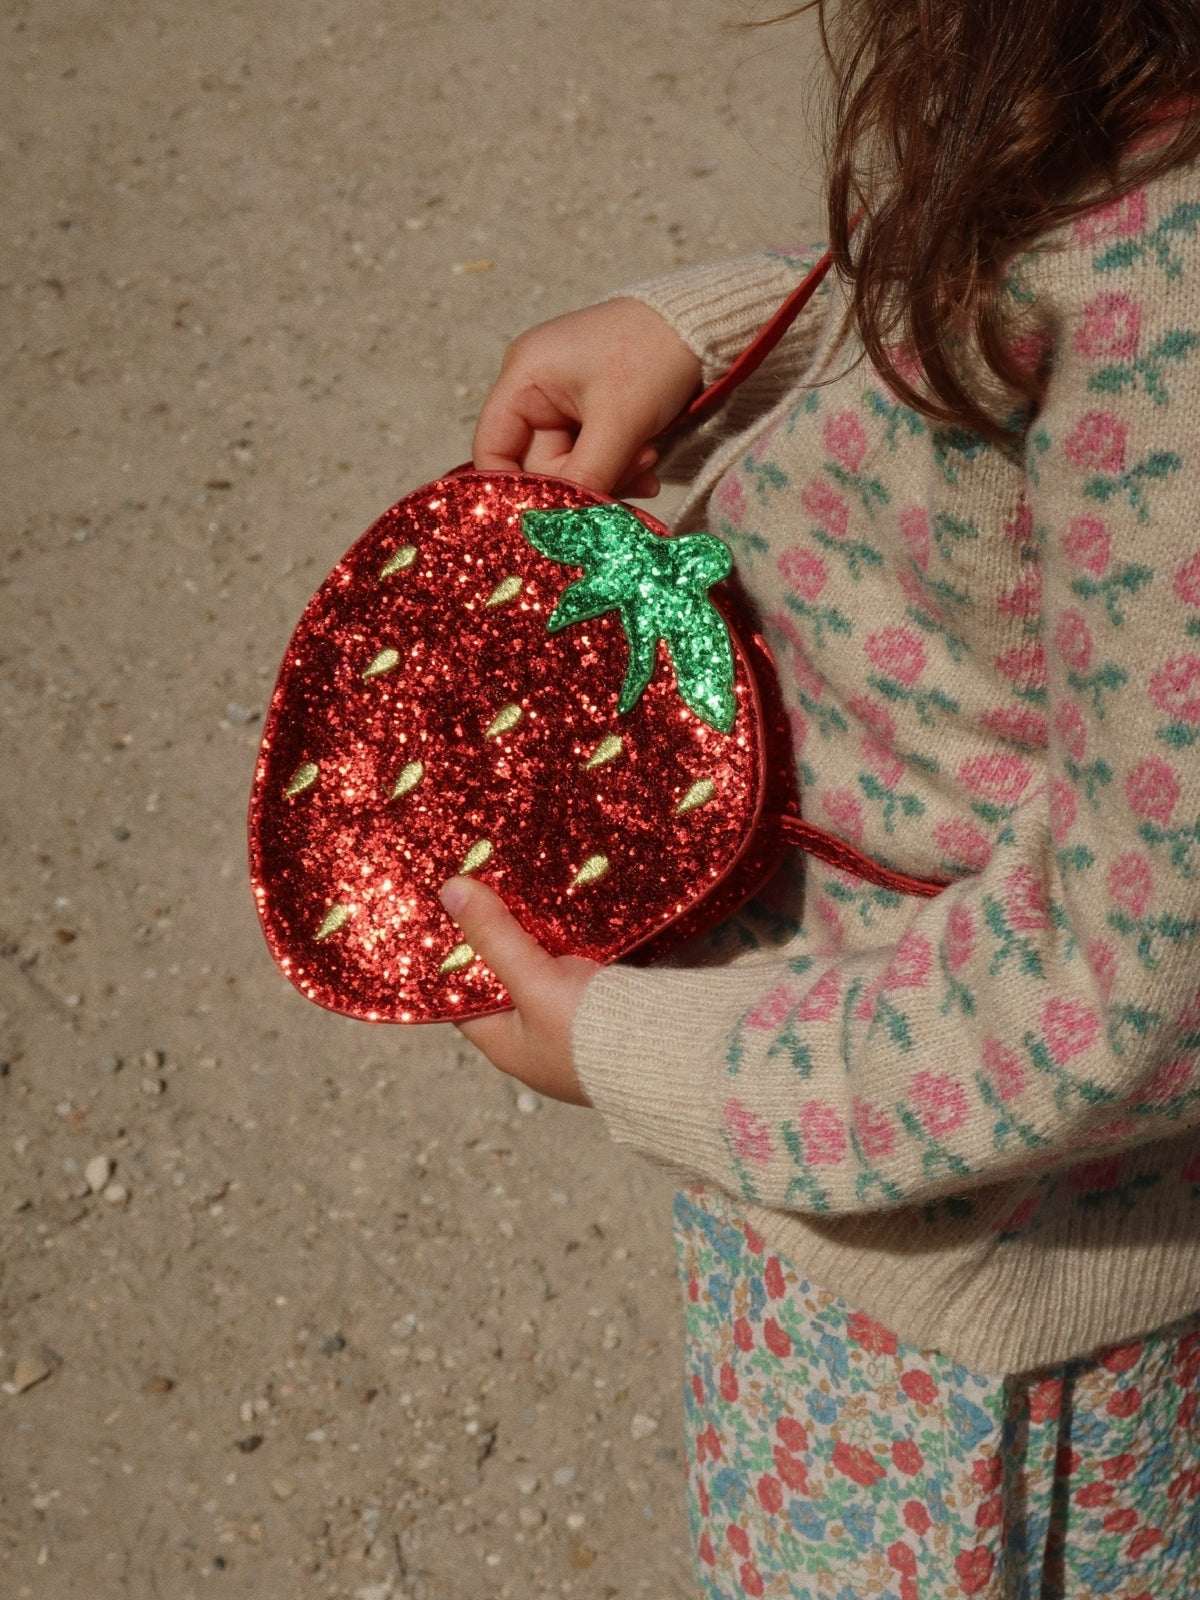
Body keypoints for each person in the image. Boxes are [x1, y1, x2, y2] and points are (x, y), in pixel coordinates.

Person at [437, 2, 1200, 1594]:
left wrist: (635, 1050)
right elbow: (1046, 303)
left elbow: (1142, 985)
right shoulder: (1132, 97)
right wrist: (745, 332)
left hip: (979, 1319)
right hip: (867, 1136)